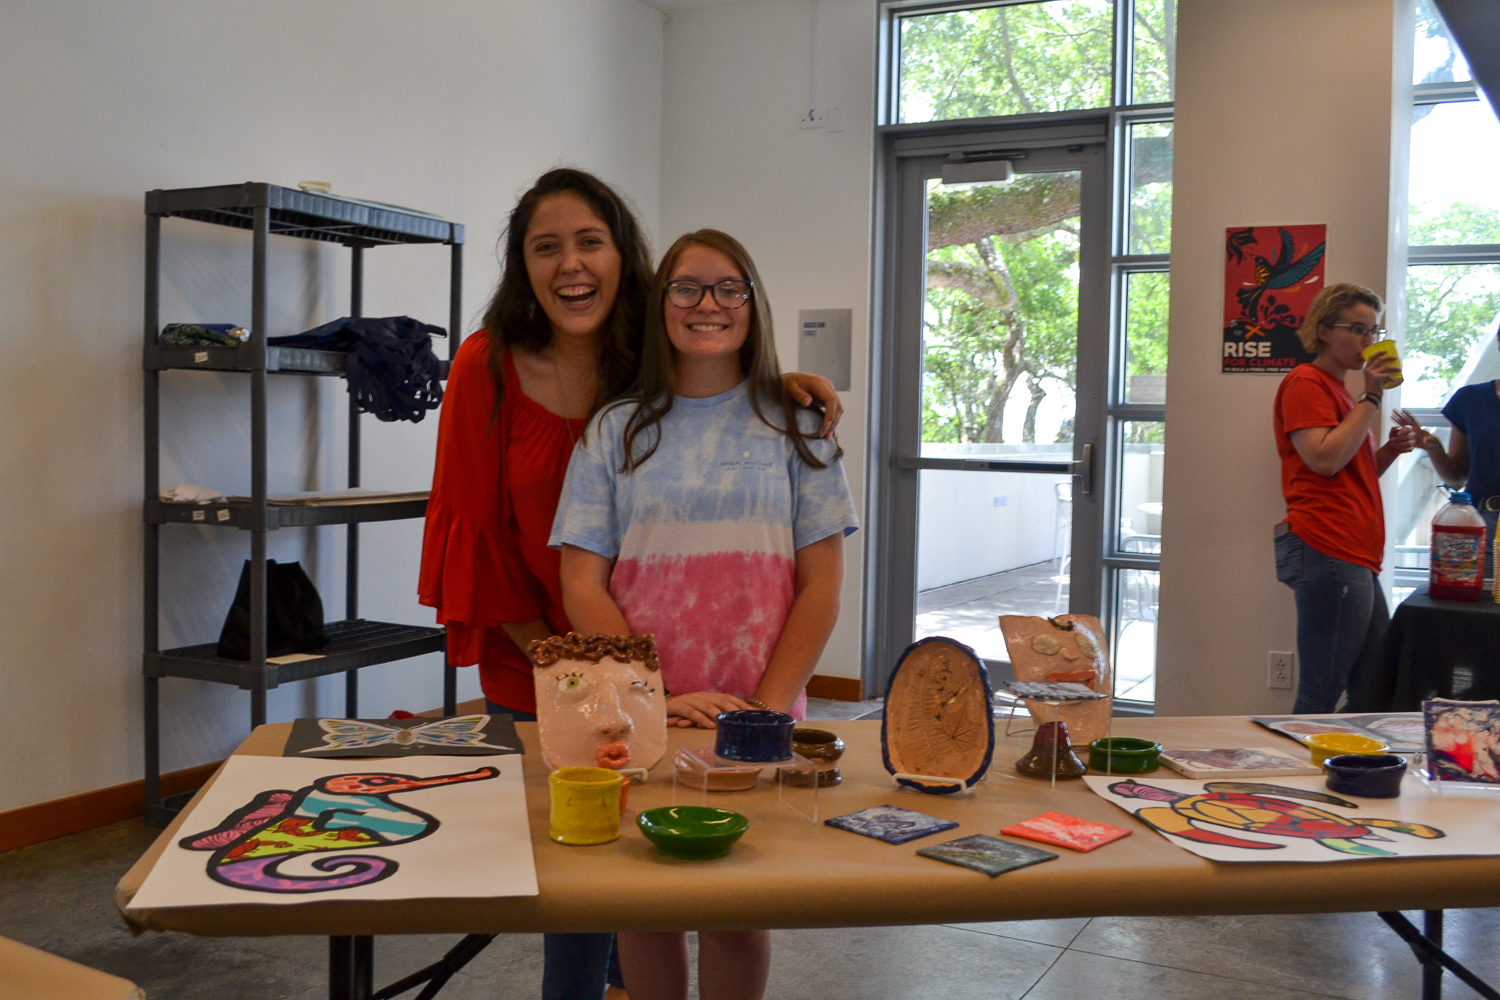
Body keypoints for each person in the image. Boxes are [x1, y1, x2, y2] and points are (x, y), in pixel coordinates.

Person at [418, 170, 842, 1000]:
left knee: (686, 897)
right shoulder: (489, 368)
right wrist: (618, 682)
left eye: (590, 242)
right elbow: (481, 543)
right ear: (522, 268)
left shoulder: (636, 367)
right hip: (542, 660)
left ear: (626, 263)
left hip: (678, 680)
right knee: (590, 899)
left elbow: (719, 382)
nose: (570, 265)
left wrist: (783, 386)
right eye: (546, 247)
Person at [552, 230, 859, 1000]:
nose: (708, 305)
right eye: (687, 288)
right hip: (645, 712)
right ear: (660, 308)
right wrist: (647, 691)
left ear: (753, 307)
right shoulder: (613, 430)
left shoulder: (800, 427)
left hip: (757, 711)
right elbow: (582, 578)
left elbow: (821, 583)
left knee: (738, 909)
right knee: (647, 903)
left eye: (729, 289)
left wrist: (761, 711)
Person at [1272, 283, 1415, 714]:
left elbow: (1350, 473)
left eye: (1373, 331)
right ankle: (1295, 778)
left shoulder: (1339, 392)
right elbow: (1324, 460)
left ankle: (1348, 772)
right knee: (1321, 690)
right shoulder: (1305, 383)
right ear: (1324, 331)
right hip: (1328, 549)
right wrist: (1372, 397)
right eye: (1357, 329)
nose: (1369, 342)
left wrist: (1387, 451)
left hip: (1353, 556)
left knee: (1371, 687)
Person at [1393, 321, 1500, 580]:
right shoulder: (1471, 400)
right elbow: (1457, 477)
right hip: (1483, 521)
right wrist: (1431, 445)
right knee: (1476, 614)